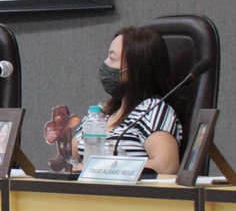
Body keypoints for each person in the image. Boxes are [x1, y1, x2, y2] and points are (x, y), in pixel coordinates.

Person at [75, 25, 183, 174]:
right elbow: (70, 156)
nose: (105, 64)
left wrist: (103, 167)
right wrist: (60, 137)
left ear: (136, 69)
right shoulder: (102, 111)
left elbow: (166, 167)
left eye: (112, 58)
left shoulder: (153, 111)